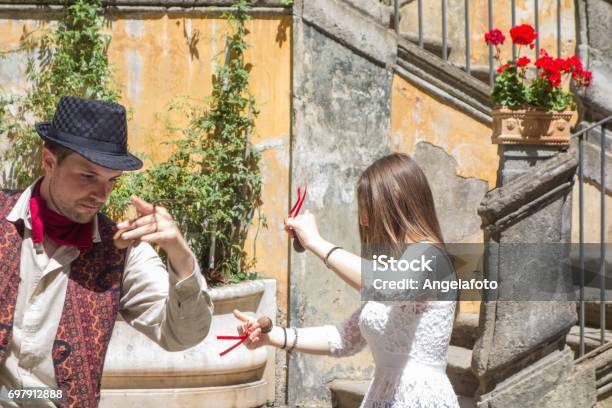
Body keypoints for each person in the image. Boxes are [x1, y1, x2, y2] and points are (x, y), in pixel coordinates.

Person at [0, 96, 214, 407]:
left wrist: (179, 255)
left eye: (111, 180)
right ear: (49, 162)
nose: (101, 194)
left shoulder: (123, 250)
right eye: (87, 176)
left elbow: (182, 336)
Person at [234, 153, 460, 408]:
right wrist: (272, 335)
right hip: (381, 397)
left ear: (396, 200)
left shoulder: (432, 256)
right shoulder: (397, 267)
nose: (363, 220)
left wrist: (316, 243)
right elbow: (343, 338)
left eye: (369, 208)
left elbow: (386, 288)